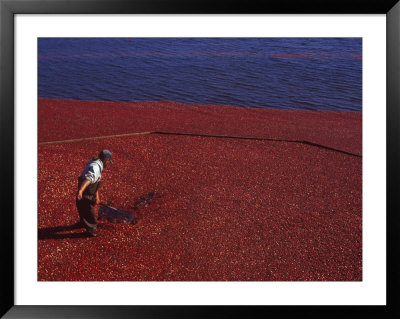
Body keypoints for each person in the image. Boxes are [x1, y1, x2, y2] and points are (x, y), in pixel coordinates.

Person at [76, 149, 113, 237]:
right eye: (109, 161)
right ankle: (91, 230)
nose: (108, 164)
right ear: (106, 160)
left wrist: (97, 196)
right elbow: (89, 179)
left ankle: (83, 223)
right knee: (89, 211)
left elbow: (96, 182)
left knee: (82, 207)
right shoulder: (96, 168)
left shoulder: (95, 163)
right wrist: (81, 190)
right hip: (86, 190)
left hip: (87, 190)